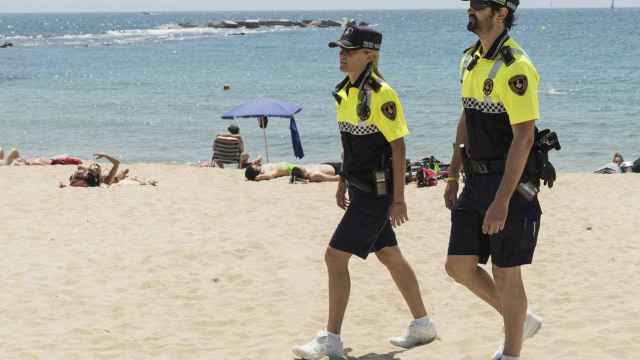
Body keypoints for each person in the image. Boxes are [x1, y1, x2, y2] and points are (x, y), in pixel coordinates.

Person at [292, 23, 437, 360]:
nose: (341, 55)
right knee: (389, 255)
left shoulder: (381, 93)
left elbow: (398, 146)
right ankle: (423, 324)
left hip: (377, 193)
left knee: (334, 257)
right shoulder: (345, 91)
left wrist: (399, 198)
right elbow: (349, 144)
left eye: (349, 50)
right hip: (358, 189)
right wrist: (342, 179)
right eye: (340, 50)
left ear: (369, 55)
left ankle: (331, 338)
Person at [443, 1, 543, 359]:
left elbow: (524, 138)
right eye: (470, 5)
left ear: (501, 13)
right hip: (475, 180)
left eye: (479, 6)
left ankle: (511, 352)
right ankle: (520, 318)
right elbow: (466, 119)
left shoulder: (517, 66)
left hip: (510, 184)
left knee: (506, 273)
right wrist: (453, 172)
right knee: (458, 267)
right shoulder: (469, 58)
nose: (471, 11)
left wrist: (502, 201)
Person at [64, 153, 156, 187]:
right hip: (111, 179)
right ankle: (123, 174)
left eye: (95, 166)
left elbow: (79, 167)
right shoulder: (106, 180)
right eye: (96, 167)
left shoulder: (90, 175)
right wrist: (105, 155)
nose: (94, 166)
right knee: (116, 178)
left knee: (117, 176)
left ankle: (124, 174)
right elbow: (117, 163)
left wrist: (88, 168)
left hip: (103, 178)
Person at [244, 158, 341, 182]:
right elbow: (268, 176)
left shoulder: (268, 167)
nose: (259, 166)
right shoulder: (273, 172)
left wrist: (254, 162)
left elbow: (260, 158)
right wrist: (259, 177)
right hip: (321, 170)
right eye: (257, 168)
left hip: (319, 166)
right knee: (313, 175)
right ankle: (339, 178)